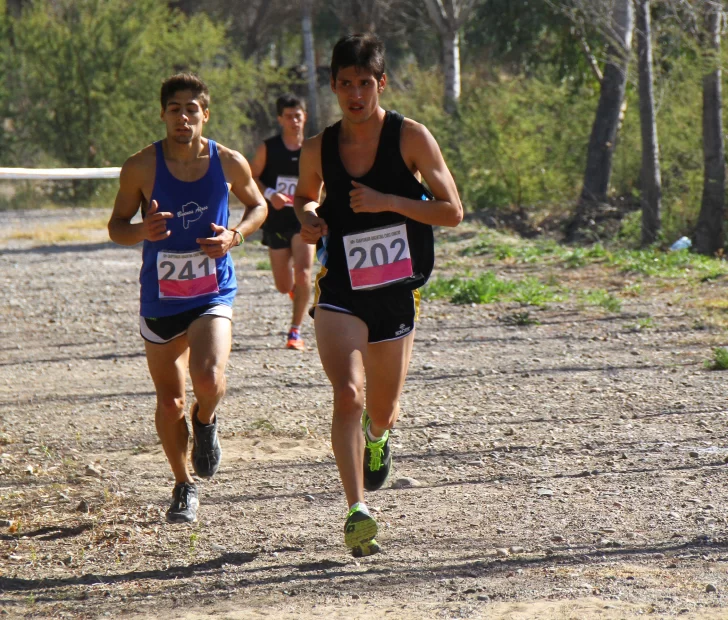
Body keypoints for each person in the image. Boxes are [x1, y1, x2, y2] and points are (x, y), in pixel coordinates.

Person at [294, 34, 463, 556]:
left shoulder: (410, 136)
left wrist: (388, 200)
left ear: (380, 83)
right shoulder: (319, 147)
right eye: (344, 84)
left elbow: (451, 210)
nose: (355, 94)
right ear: (333, 87)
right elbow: (304, 196)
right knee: (348, 392)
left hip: (394, 290)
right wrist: (306, 218)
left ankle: (379, 436)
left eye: (364, 83)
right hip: (342, 285)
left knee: (382, 409)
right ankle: (356, 509)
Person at [107, 73, 267, 524]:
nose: (183, 117)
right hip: (160, 297)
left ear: (205, 114)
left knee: (209, 376)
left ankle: (207, 420)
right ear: (162, 114)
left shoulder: (229, 161)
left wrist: (235, 235)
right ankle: (183, 484)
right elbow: (116, 226)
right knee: (168, 401)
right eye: (175, 108)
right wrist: (142, 231)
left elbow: (259, 206)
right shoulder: (140, 167)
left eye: (192, 108)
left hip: (211, 288)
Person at [250, 94, 315, 350]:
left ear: (305, 117)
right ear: (280, 119)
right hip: (276, 220)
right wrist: (269, 194)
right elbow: (251, 177)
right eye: (288, 116)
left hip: (303, 219)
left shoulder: (312, 148)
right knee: (283, 284)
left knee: (303, 272)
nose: (294, 121)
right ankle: (296, 292)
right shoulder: (269, 147)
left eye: (298, 116)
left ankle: (295, 331)